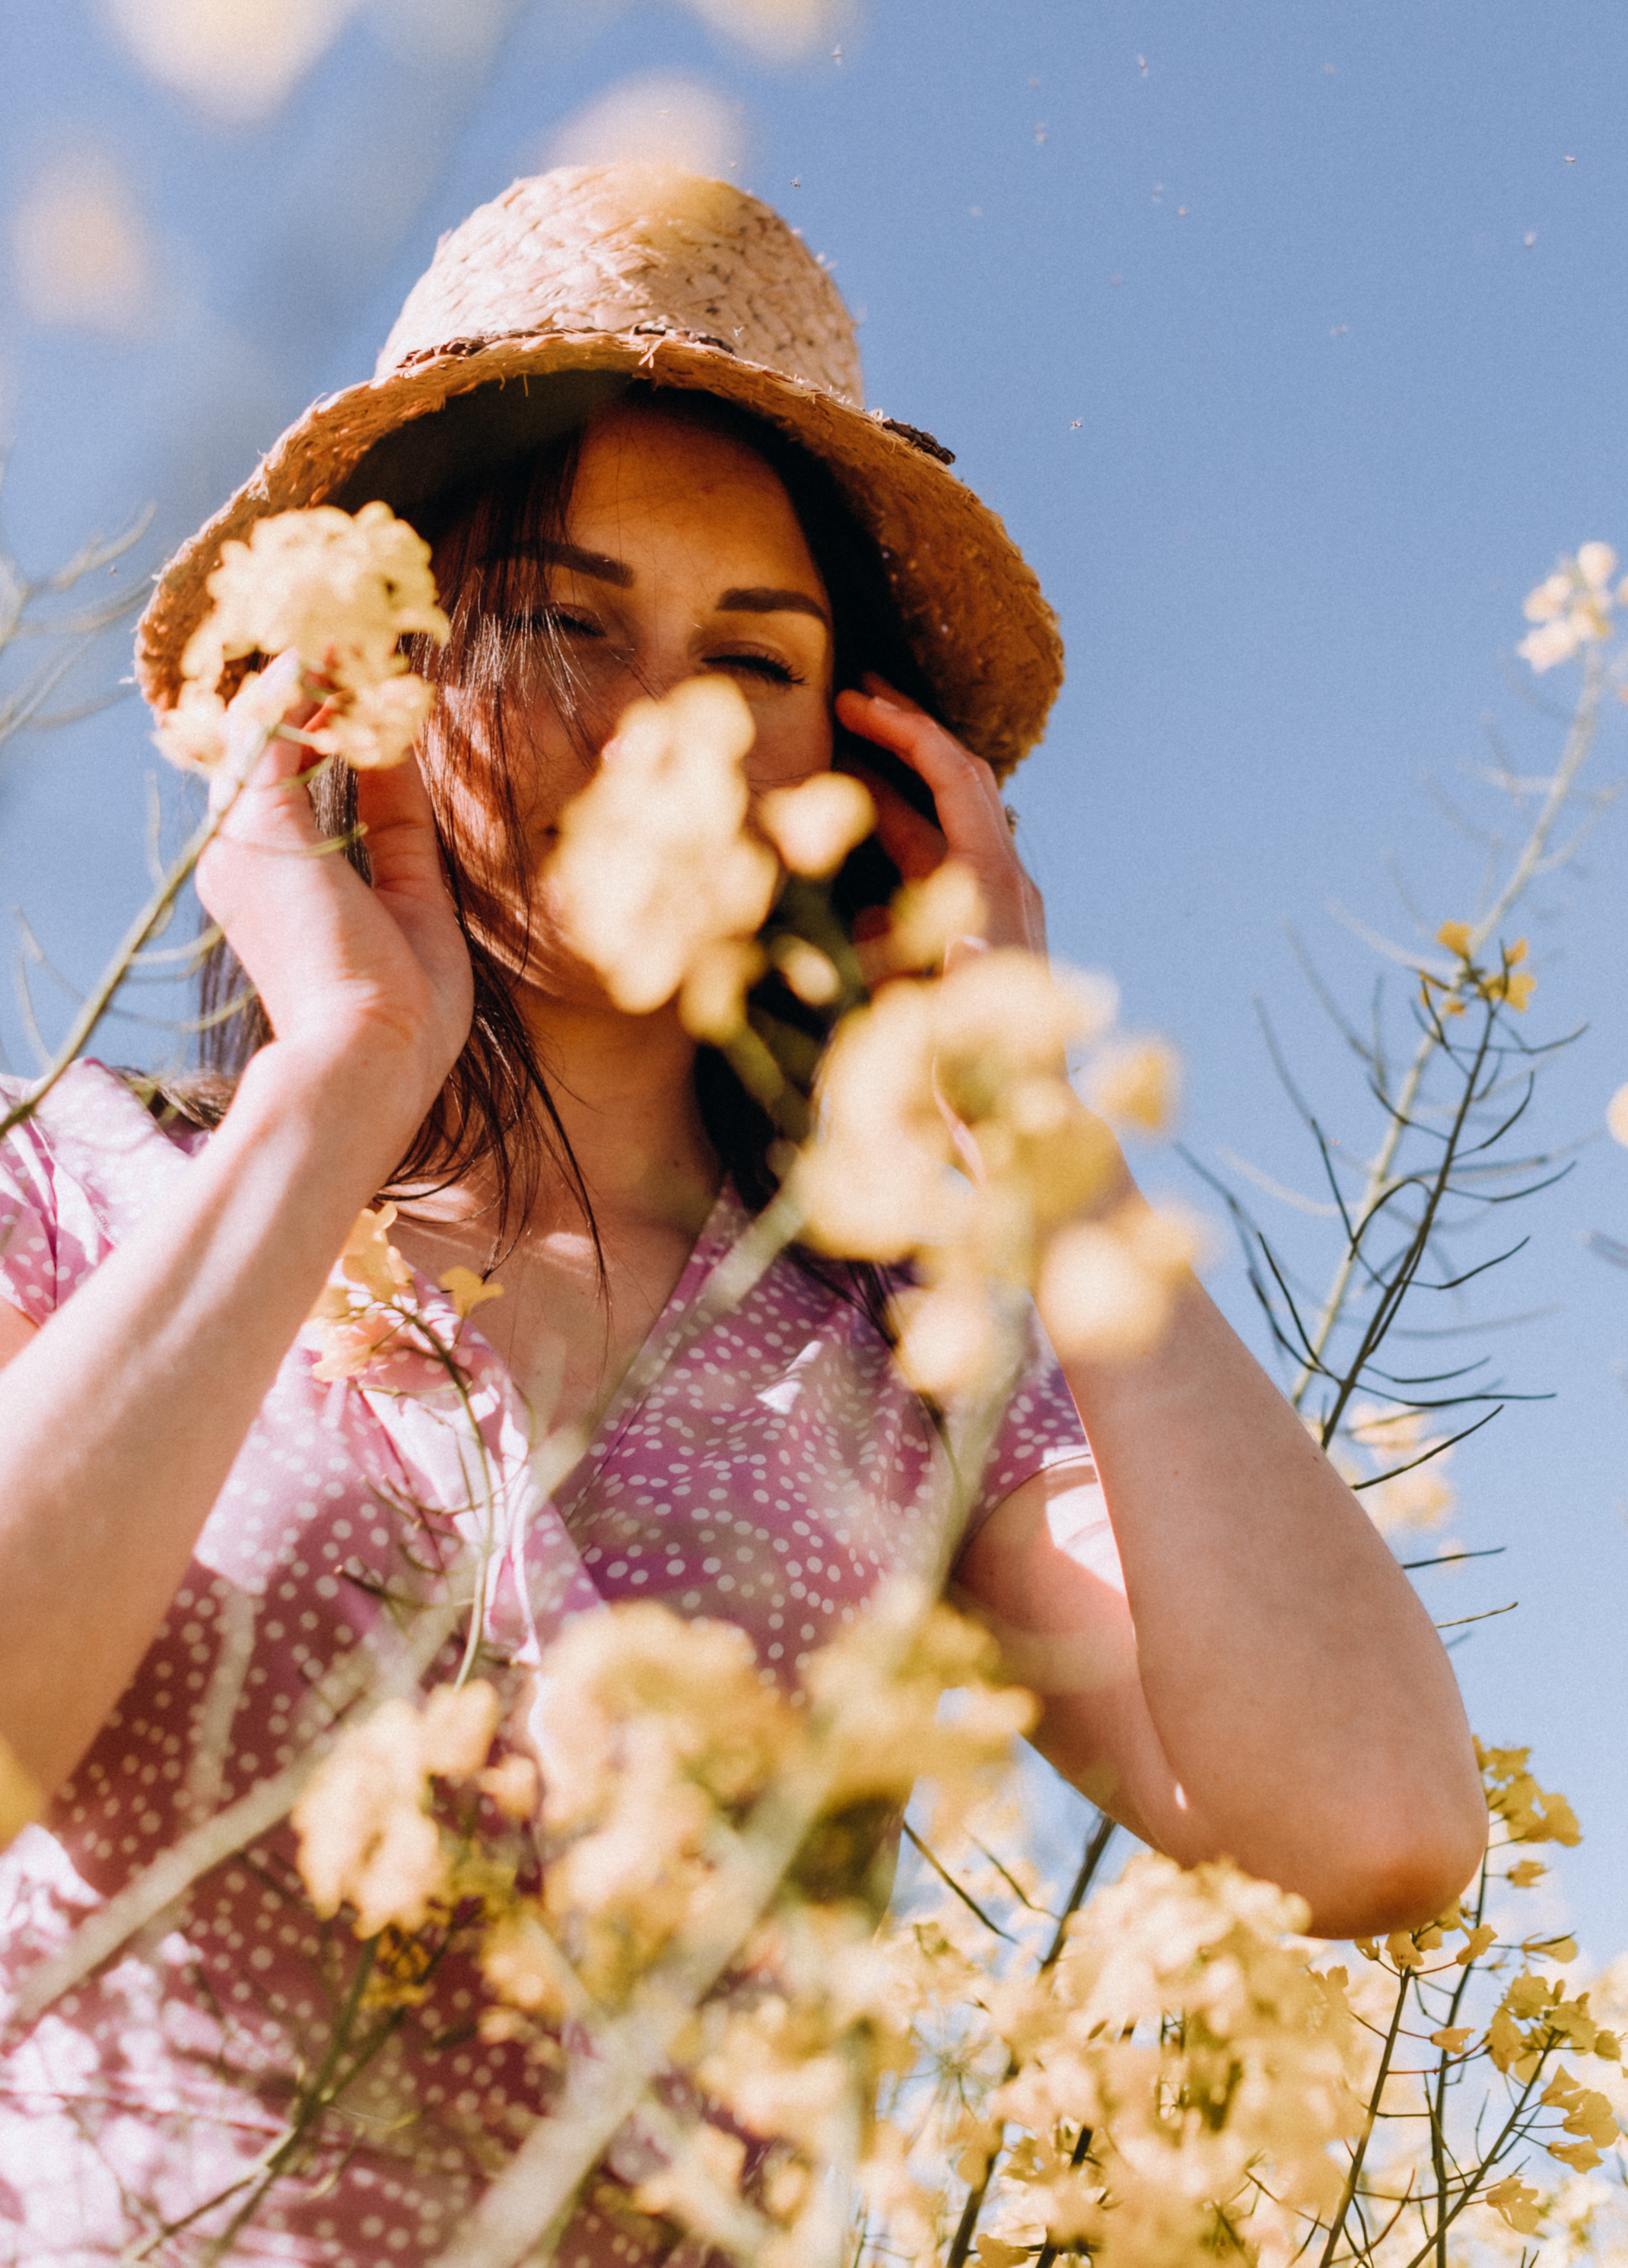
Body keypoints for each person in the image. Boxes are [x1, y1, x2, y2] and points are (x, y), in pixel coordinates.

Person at [0, 169, 1486, 2262]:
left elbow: (1377, 1832)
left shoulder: (914, 1346)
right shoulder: (79, 1188)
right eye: (566, 621)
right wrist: (335, 1088)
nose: (654, 730)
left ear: (860, 778)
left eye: (756, 658)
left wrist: (1038, 1130)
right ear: (381, 671)